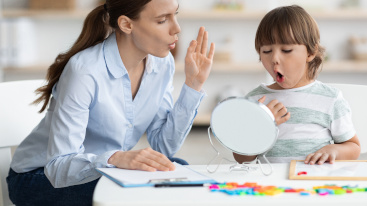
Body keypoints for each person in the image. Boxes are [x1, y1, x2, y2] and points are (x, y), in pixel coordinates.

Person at [7, 0, 215, 205]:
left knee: (178, 169)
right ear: (126, 25)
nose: (177, 28)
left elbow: (163, 147)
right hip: (37, 177)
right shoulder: (85, 70)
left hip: (102, 169)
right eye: (162, 20)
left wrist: (193, 85)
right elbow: (58, 168)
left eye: (175, 14)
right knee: (135, 192)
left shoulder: (162, 63)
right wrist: (115, 159)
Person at [233, 5, 360, 165]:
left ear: (311, 52)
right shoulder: (255, 100)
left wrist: (333, 150)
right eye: (266, 51)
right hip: (269, 187)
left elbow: (353, 147)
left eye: (286, 50)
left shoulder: (330, 99)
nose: (275, 59)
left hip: (312, 185)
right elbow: (240, 158)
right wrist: (260, 127)